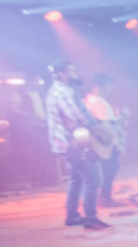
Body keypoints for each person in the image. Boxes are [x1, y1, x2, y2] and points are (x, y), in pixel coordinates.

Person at [46, 62, 110, 230]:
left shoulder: (54, 91)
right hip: (74, 143)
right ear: (62, 73)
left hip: (65, 142)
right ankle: (90, 218)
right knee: (93, 178)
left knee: (76, 178)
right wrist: (97, 127)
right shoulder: (65, 92)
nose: (75, 73)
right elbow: (77, 115)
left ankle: (72, 216)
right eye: (72, 70)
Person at [84, 73, 128, 207]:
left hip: (92, 143)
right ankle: (105, 198)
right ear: (102, 86)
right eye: (109, 86)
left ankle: (101, 197)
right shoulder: (101, 104)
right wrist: (122, 118)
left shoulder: (87, 100)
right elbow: (106, 127)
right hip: (105, 144)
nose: (110, 90)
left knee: (100, 171)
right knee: (110, 168)